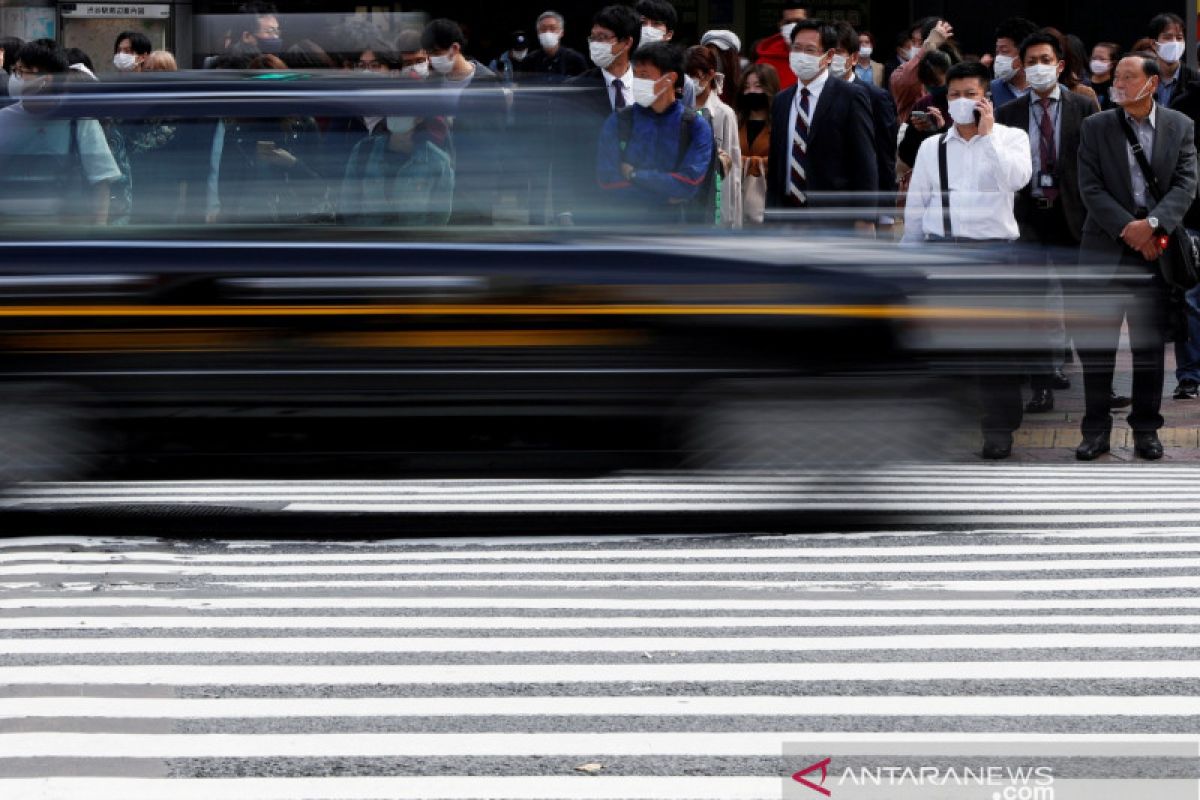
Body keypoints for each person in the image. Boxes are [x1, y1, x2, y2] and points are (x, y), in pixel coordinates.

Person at [901, 60, 1032, 458]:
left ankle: (998, 426)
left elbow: (1016, 179)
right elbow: (916, 205)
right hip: (945, 253)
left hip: (995, 254)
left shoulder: (1011, 138)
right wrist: (910, 260)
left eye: (969, 94)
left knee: (998, 348)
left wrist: (989, 137)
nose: (961, 102)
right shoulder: (931, 147)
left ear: (985, 99)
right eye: (954, 95)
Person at [1073, 54, 1198, 460]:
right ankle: (1094, 431)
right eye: (1118, 77)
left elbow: (1186, 184)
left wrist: (1154, 224)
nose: (1120, 84)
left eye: (1129, 77)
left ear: (1153, 84)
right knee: (1096, 347)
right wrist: (1130, 228)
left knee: (1148, 349)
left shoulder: (1181, 126)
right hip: (1107, 247)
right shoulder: (1096, 126)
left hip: (1156, 252)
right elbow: (1089, 187)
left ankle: (1146, 429)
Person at [996, 31, 1098, 415]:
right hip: (1029, 219)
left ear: (1059, 65)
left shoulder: (1084, 108)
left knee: (1082, 309)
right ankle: (1041, 385)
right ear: (1021, 66)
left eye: (1046, 60)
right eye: (1031, 60)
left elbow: (1095, 165)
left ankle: (1097, 389)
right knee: (1034, 309)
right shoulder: (1008, 113)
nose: (1038, 67)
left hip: (1074, 218)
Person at [765, 20, 877, 225]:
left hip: (833, 217)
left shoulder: (850, 96)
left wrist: (865, 219)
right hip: (787, 216)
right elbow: (777, 165)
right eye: (797, 49)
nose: (801, 56)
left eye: (810, 50)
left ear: (829, 56)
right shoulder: (782, 100)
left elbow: (864, 160)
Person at [0, 41, 121, 225]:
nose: (16, 78)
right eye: (16, 70)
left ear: (46, 79)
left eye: (22, 71)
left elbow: (101, 183)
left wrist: (99, 233)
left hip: (63, 232)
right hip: (10, 231)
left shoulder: (79, 122)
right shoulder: (3, 119)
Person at [595, 42, 714, 225]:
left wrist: (635, 175)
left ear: (670, 78)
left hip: (677, 231)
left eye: (644, 76)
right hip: (625, 228)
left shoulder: (695, 126)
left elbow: (688, 183)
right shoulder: (619, 121)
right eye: (635, 75)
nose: (637, 82)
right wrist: (664, 198)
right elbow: (608, 182)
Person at [553, 4, 641, 225]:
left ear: (627, 42)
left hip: (642, 205)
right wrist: (564, 209)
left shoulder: (648, 86)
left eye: (604, 37)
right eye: (593, 38)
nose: (596, 44)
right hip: (591, 206)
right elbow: (562, 154)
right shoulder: (574, 90)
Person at [422, 17, 506, 225]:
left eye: (436, 53)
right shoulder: (431, 83)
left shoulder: (487, 82)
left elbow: (494, 137)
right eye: (429, 54)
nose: (431, 60)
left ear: (454, 49)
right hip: (436, 178)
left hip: (476, 182)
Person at [825, 21, 897, 229]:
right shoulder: (809, 95)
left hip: (858, 210)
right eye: (826, 52)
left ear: (853, 57)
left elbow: (885, 158)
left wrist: (884, 213)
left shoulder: (875, 97)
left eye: (837, 52)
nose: (830, 59)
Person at [339, 114, 454, 226]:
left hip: (412, 243)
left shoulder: (439, 163)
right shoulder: (363, 152)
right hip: (369, 242)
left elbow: (438, 221)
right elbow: (348, 210)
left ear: (419, 119)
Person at [686, 44, 741, 227]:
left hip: (714, 201)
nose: (690, 82)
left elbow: (733, 174)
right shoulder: (678, 110)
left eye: (695, 76)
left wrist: (731, 220)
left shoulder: (724, 114)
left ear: (710, 74)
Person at [890, 16, 958, 122]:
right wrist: (928, 47)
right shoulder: (902, 72)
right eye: (913, 41)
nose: (917, 47)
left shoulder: (958, 70)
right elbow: (904, 82)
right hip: (915, 134)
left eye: (921, 42)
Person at [736, 64, 778, 224]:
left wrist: (742, 162)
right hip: (737, 200)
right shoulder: (735, 121)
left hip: (768, 202)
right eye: (746, 87)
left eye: (758, 86)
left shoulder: (781, 123)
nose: (751, 91)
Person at [521, 11, 587, 81]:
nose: (547, 32)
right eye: (543, 29)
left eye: (552, 28)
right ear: (538, 33)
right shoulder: (529, 61)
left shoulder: (575, 59)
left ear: (562, 32)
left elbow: (585, 85)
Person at [755, 2, 806, 90]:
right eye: (788, 22)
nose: (793, 26)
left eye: (798, 21)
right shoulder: (764, 64)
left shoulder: (824, 57)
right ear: (780, 25)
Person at [990, 17, 1040, 108]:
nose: (998, 58)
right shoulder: (989, 91)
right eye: (997, 52)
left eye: (1004, 51)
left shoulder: (1051, 91)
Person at [1148, 13, 1195, 107]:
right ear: (1153, 44)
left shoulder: (1195, 81)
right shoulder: (1144, 77)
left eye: (1179, 38)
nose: (1174, 43)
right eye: (1167, 37)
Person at [700, 29, 741, 107]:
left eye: (720, 53)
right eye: (710, 53)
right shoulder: (698, 85)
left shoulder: (745, 85)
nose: (715, 59)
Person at [1087, 42, 1120, 108]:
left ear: (1112, 63)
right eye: (1094, 58)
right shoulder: (1083, 83)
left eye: (1102, 59)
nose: (1096, 62)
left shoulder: (1116, 86)